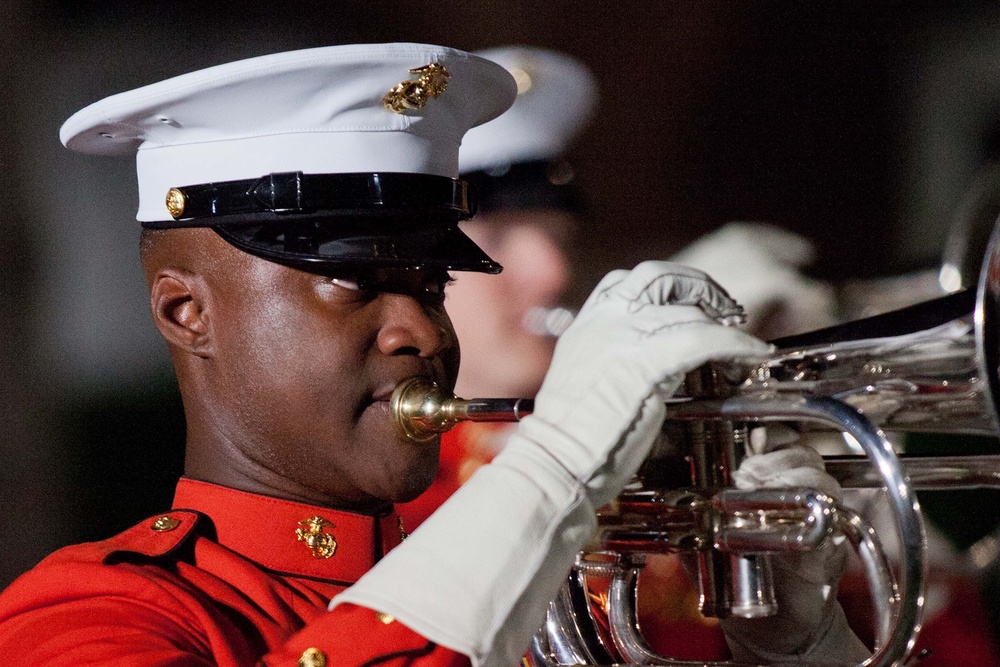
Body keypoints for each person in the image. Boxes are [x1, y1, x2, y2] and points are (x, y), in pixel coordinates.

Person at [0, 43, 868, 666]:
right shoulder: (92, 610)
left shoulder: (539, 596)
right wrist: (558, 463)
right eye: (352, 281)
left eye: (428, 282)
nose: (420, 328)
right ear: (188, 311)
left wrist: (796, 645)